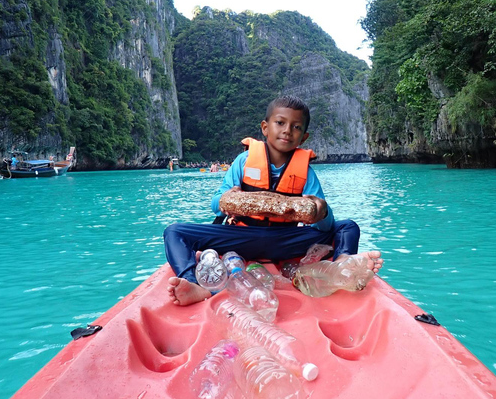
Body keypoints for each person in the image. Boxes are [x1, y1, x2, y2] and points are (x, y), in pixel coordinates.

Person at [164, 95, 382, 306]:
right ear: (265, 128)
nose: (287, 130)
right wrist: (226, 200)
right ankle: (193, 284)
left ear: (304, 137)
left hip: (285, 239)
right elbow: (216, 205)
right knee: (174, 231)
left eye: (296, 127)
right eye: (280, 123)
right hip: (242, 236)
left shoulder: (305, 171)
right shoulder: (243, 161)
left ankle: (342, 265)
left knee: (347, 226)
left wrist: (322, 211)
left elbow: (324, 225)